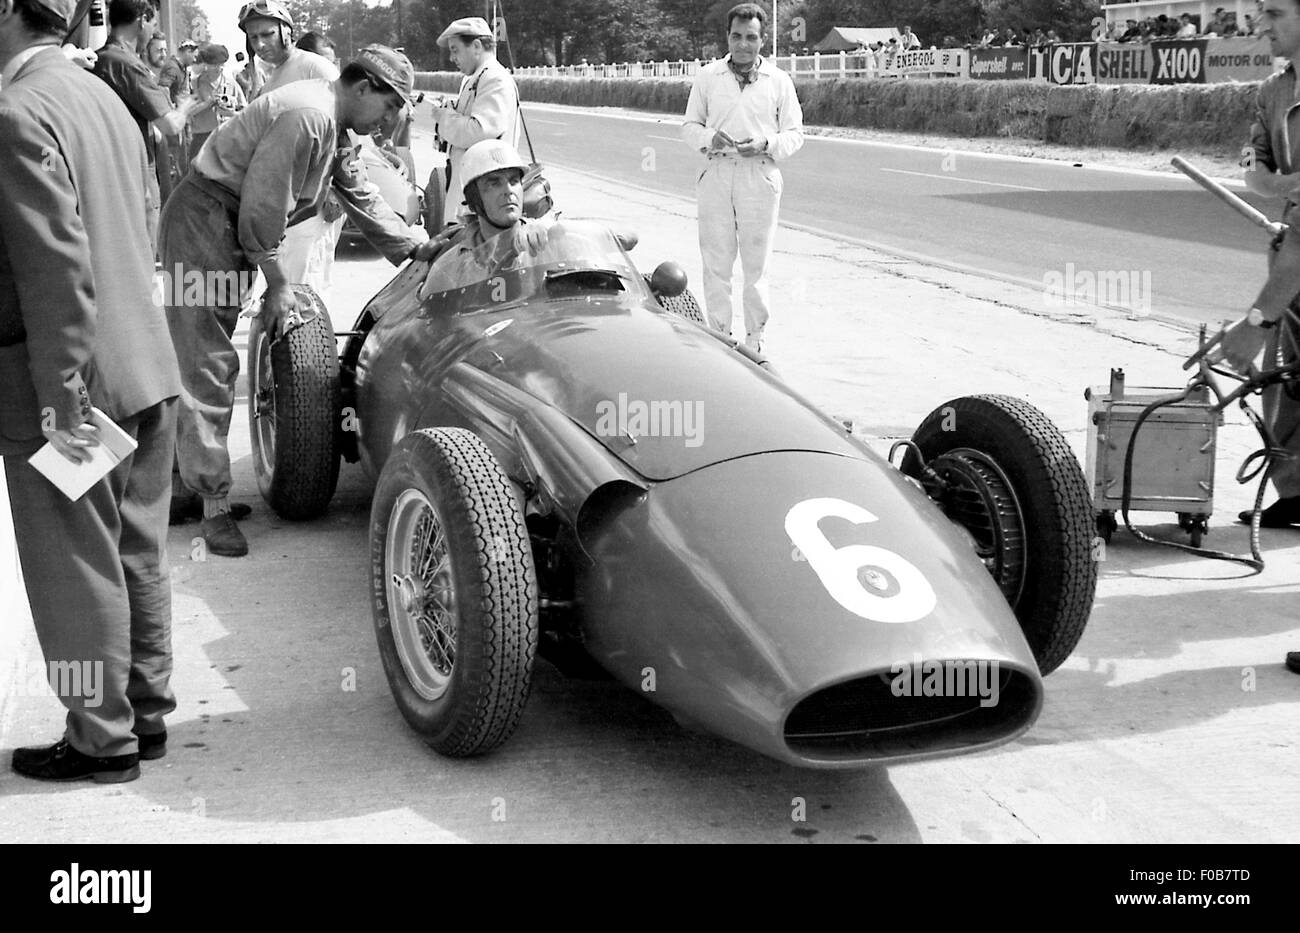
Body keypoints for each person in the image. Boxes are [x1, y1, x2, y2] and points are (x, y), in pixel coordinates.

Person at [1, 0, 182, 782]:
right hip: (145, 361)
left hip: (72, 385)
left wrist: (62, 395)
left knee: (75, 570)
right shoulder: (103, 94)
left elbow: (53, 270)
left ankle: (99, 737)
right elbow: (142, 222)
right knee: (136, 550)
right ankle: (143, 713)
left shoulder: (16, 111)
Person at [159, 46, 434, 557]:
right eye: (390, 105)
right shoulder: (308, 116)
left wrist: (413, 245)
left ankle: (185, 491)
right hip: (203, 223)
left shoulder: (335, 124)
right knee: (206, 364)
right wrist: (278, 283)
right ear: (362, 87)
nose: (392, 120)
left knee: (199, 359)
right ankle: (212, 507)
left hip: (221, 225)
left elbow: (360, 193)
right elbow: (261, 211)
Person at [1212, 0, 1300, 674]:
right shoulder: (1277, 90)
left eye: (1273, 10)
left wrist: (1258, 318)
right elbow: (1257, 172)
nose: (1259, 24)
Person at [680, 2, 803, 352]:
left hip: (759, 175)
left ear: (762, 40)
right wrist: (708, 138)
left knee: (756, 264)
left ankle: (755, 339)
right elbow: (689, 126)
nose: (743, 45)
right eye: (737, 36)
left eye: (751, 37)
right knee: (716, 262)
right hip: (717, 172)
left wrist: (766, 143)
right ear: (727, 37)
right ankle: (720, 335)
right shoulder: (708, 76)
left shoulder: (778, 81)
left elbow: (795, 134)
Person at [91, 0, 190, 252]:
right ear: (142, 19)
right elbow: (170, 125)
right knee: (145, 254)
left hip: (108, 173)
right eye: (154, 21)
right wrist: (185, 106)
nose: (153, 27)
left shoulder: (100, 60)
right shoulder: (126, 64)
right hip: (136, 176)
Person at [422, 139, 554, 286]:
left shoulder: (545, 242)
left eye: (514, 181)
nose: (509, 190)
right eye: (494, 184)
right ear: (474, 201)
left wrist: (548, 232)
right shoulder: (451, 267)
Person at [432, 15, 521, 226]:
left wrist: (444, 116)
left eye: (455, 50)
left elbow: (479, 131)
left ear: (477, 46)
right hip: (474, 192)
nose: (452, 58)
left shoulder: (494, 78)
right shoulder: (479, 78)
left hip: (484, 197)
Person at [239, 0, 336, 99]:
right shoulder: (268, 85)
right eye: (253, 37)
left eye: (267, 34)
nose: (260, 45)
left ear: (286, 32)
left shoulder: (316, 68)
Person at [187, 42, 244, 161]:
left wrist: (231, 114)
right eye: (214, 65)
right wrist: (208, 103)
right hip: (202, 137)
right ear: (206, 65)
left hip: (226, 136)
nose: (218, 69)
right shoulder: (194, 83)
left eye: (221, 65)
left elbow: (246, 111)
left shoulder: (231, 84)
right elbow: (187, 112)